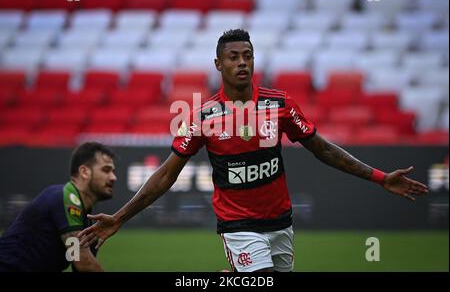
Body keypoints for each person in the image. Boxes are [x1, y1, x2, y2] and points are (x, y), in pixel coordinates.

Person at [78, 29, 428, 272]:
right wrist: (120, 217)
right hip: (238, 224)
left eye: (248, 56)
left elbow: (322, 149)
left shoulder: (279, 105)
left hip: (281, 221)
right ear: (219, 65)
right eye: (233, 57)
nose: (242, 63)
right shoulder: (203, 116)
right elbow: (166, 175)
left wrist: (380, 177)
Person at [0, 142, 117, 272]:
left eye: (113, 171)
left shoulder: (88, 222)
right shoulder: (65, 197)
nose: (113, 177)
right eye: (106, 170)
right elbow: (84, 264)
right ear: (84, 172)